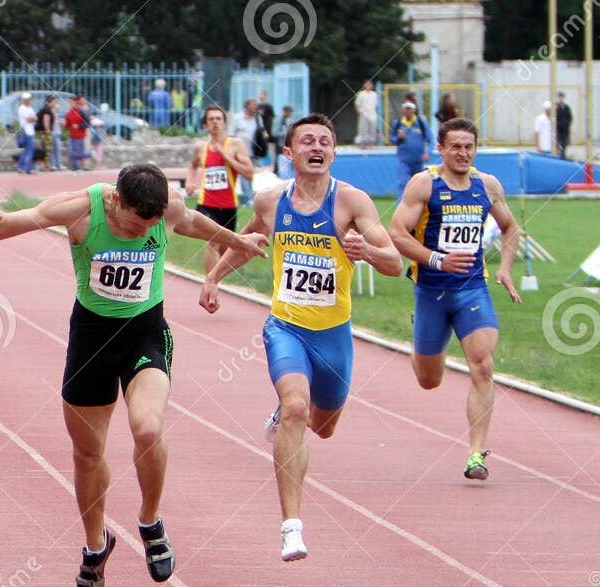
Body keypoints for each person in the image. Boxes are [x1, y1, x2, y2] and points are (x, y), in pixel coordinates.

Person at [0, 156, 267, 587]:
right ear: (116, 201)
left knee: (149, 428)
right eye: (135, 226)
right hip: (91, 339)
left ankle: (151, 520)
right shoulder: (77, 209)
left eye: (148, 229)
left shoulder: (166, 209)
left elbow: (192, 223)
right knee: (87, 453)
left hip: (145, 333)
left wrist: (239, 241)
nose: (142, 234)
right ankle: (96, 546)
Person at [201, 115, 403, 562]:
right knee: (296, 408)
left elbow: (396, 263)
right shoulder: (272, 201)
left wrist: (366, 251)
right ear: (289, 154)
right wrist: (214, 277)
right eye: (307, 141)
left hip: (333, 336)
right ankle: (291, 526)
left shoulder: (352, 202)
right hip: (285, 327)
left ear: (333, 153)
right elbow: (248, 240)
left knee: (323, 426)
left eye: (326, 142)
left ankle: (291, 412)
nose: (317, 147)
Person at [389, 118, 522, 481]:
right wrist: (436, 259)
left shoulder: (487, 185)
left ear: (475, 150)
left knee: (483, 366)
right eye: (455, 147)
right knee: (429, 380)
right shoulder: (424, 184)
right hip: (431, 291)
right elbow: (396, 233)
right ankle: (420, 340)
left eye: (469, 147)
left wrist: (505, 268)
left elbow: (511, 227)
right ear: (441, 150)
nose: (462, 153)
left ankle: (476, 454)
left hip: (471, 290)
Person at [185, 104, 256, 273]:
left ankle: (216, 281)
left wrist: (227, 158)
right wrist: (190, 181)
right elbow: (193, 166)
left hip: (228, 205)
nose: (215, 122)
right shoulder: (201, 147)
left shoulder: (236, 145)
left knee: (225, 248)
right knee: (213, 240)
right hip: (206, 204)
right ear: (205, 125)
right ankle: (211, 283)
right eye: (211, 119)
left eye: (218, 119)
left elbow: (249, 173)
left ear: (224, 123)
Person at [389, 99, 429, 195]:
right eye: (406, 109)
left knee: (419, 184)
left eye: (409, 109)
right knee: (404, 183)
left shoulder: (421, 123)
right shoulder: (398, 123)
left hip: (418, 161)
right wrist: (398, 138)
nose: (407, 111)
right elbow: (392, 139)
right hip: (404, 160)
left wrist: (428, 152)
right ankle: (402, 206)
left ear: (414, 110)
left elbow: (431, 139)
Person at [65, 94, 91, 171]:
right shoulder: (68, 113)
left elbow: (87, 123)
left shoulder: (81, 112)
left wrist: (79, 126)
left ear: (76, 103)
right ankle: (76, 167)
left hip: (80, 135)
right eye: (70, 102)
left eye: (72, 102)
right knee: (71, 152)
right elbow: (67, 125)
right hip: (72, 135)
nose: (71, 104)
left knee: (79, 153)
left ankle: (89, 155)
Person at [16, 92, 36, 174]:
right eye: (28, 99)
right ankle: (28, 168)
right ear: (24, 100)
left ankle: (20, 166)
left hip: (30, 131)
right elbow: (29, 119)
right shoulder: (22, 108)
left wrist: (32, 118)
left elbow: (35, 118)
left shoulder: (30, 108)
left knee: (27, 150)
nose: (29, 101)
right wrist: (32, 118)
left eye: (30, 99)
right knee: (30, 150)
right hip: (26, 131)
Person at [354, 79, 379, 147]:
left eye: (370, 84)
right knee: (363, 129)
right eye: (367, 84)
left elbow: (376, 105)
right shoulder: (361, 94)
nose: (369, 86)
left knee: (372, 130)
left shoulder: (374, 94)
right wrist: (360, 113)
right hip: (363, 114)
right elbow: (357, 104)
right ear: (364, 85)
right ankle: (362, 144)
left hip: (372, 114)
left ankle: (372, 144)